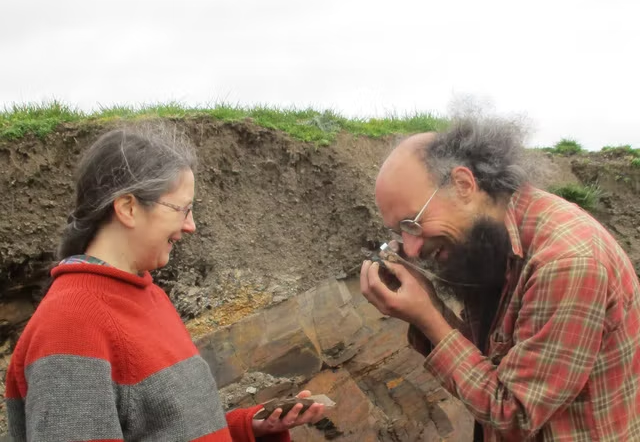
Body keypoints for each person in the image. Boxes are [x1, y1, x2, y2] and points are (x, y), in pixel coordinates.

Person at [4, 123, 325, 442]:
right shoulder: (69, 328)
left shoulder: (149, 296)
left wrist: (247, 429)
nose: (191, 226)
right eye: (182, 209)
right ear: (128, 208)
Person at [361, 118, 640, 441]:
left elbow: (514, 414)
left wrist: (428, 319)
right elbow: (491, 368)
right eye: (399, 233)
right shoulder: (489, 242)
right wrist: (432, 306)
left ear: (463, 185)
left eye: (412, 223)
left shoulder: (566, 262)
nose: (411, 248)